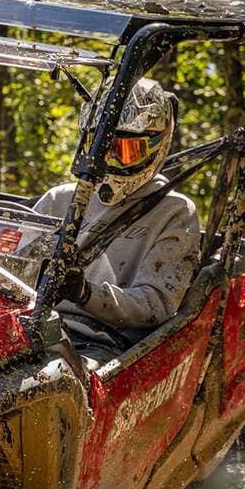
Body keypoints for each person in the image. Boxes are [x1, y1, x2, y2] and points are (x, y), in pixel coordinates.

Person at [34, 77, 201, 365]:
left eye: (126, 152)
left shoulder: (173, 211)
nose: (111, 161)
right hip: (34, 326)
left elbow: (157, 304)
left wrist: (86, 293)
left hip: (103, 345)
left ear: (156, 145)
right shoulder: (60, 200)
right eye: (103, 148)